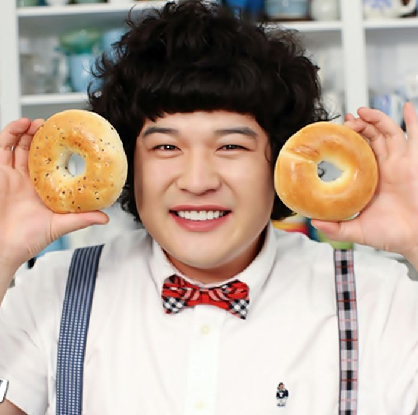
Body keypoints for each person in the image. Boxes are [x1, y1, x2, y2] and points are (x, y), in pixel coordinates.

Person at [0, 1, 418, 414]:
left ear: (281, 161)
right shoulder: (54, 291)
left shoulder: (376, 299)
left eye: (231, 146)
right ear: (128, 162)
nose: (198, 181)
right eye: (166, 147)